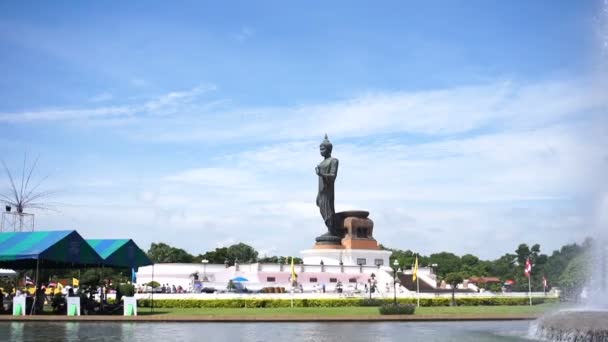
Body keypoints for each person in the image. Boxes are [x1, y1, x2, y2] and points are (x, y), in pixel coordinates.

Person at [315, 134, 340, 237]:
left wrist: (322, 174)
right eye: (320, 149)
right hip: (321, 192)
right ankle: (330, 229)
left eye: (323, 148)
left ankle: (332, 230)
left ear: (329, 149)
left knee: (328, 210)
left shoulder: (333, 161)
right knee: (322, 210)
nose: (321, 151)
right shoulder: (321, 163)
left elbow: (333, 176)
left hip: (328, 190)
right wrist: (318, 194)